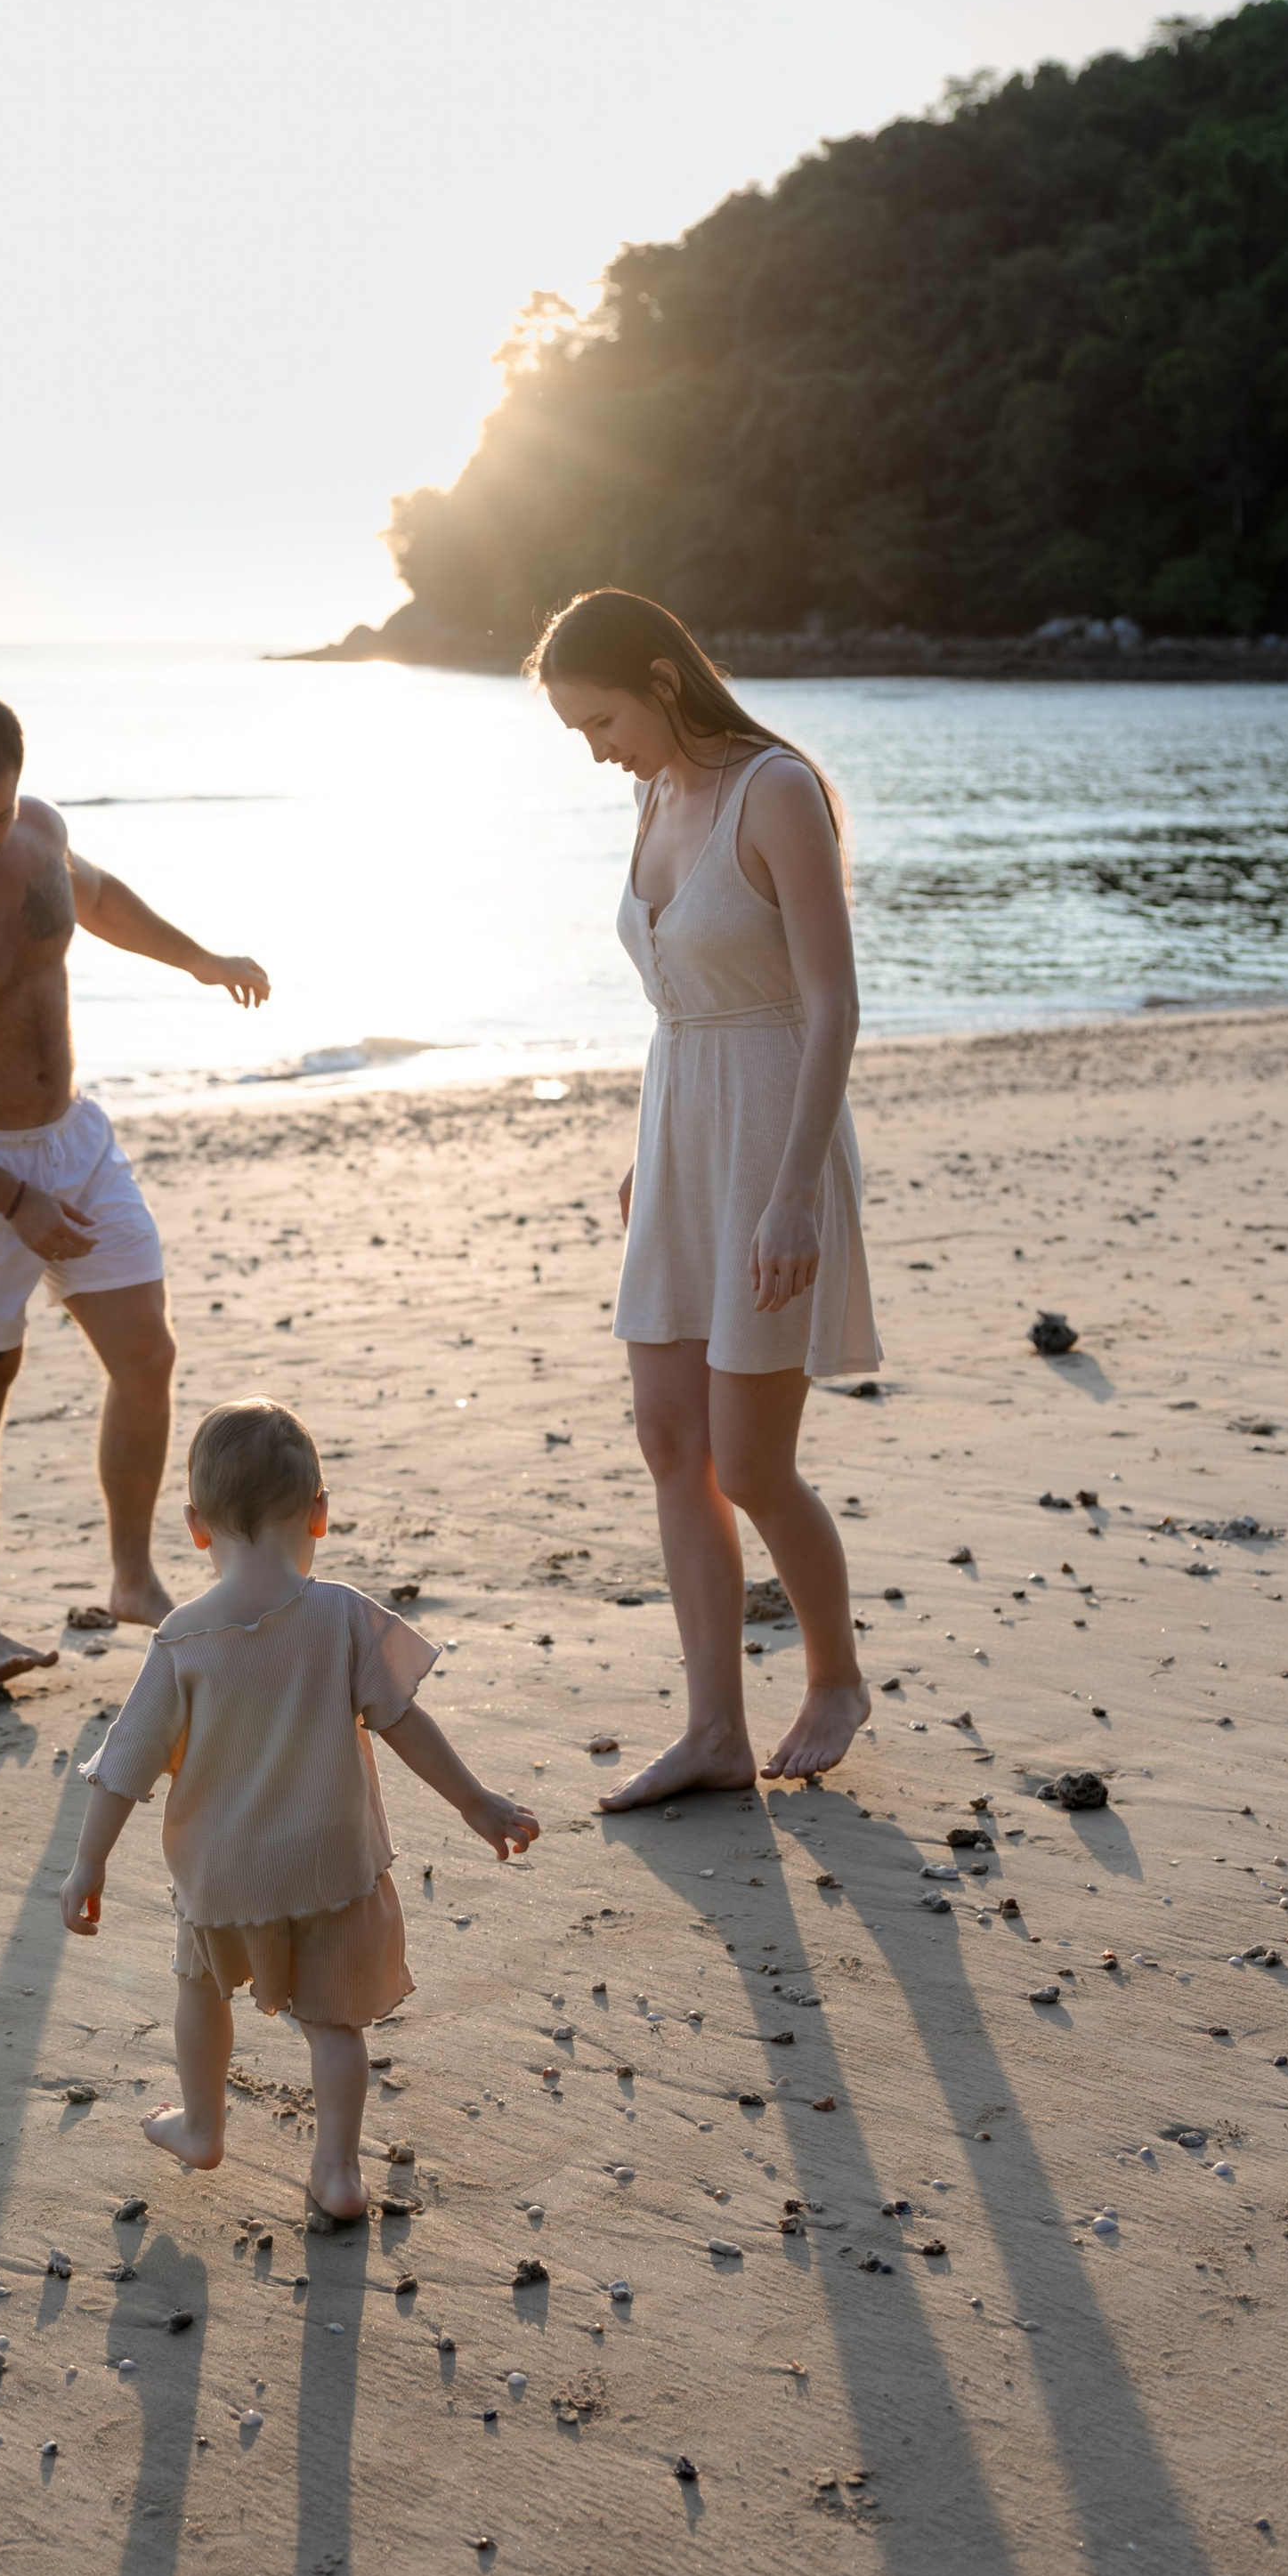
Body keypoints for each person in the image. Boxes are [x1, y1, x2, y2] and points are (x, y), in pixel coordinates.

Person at [0, 688, 270, 1696]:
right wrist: (9, 1200)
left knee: (146, 1353)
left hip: (70, 1138)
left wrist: (199, 959)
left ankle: (131, 1575)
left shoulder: (36, 834)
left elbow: (95, 897)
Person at [532, 588, 880, 1798]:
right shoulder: (650, 794)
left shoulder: (772, 790)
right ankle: (717, 1732)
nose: (595, 748)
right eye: (578, 730)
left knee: (752, 1463)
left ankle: (834, 1676)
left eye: (602, 718)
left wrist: (795, 1197)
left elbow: (831, 1003)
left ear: (663, 684)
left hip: (775, 1137)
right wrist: (653, 1148)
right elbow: (681, 994)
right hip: (683, 1129)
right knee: (669, 1438)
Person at [60, 1397, 540, 2221]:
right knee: (333, 2025)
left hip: (225, 1871)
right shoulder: (344, 1615)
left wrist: (87, 1863)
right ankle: (339, 2173)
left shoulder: (182, 1640)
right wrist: (476, 1803)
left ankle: (203, 2125)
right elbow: (402, 1721)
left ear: (196, 1527)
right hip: (331, 1862)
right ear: (320, 1510)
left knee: (200, 1991)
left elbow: (125, 1768)